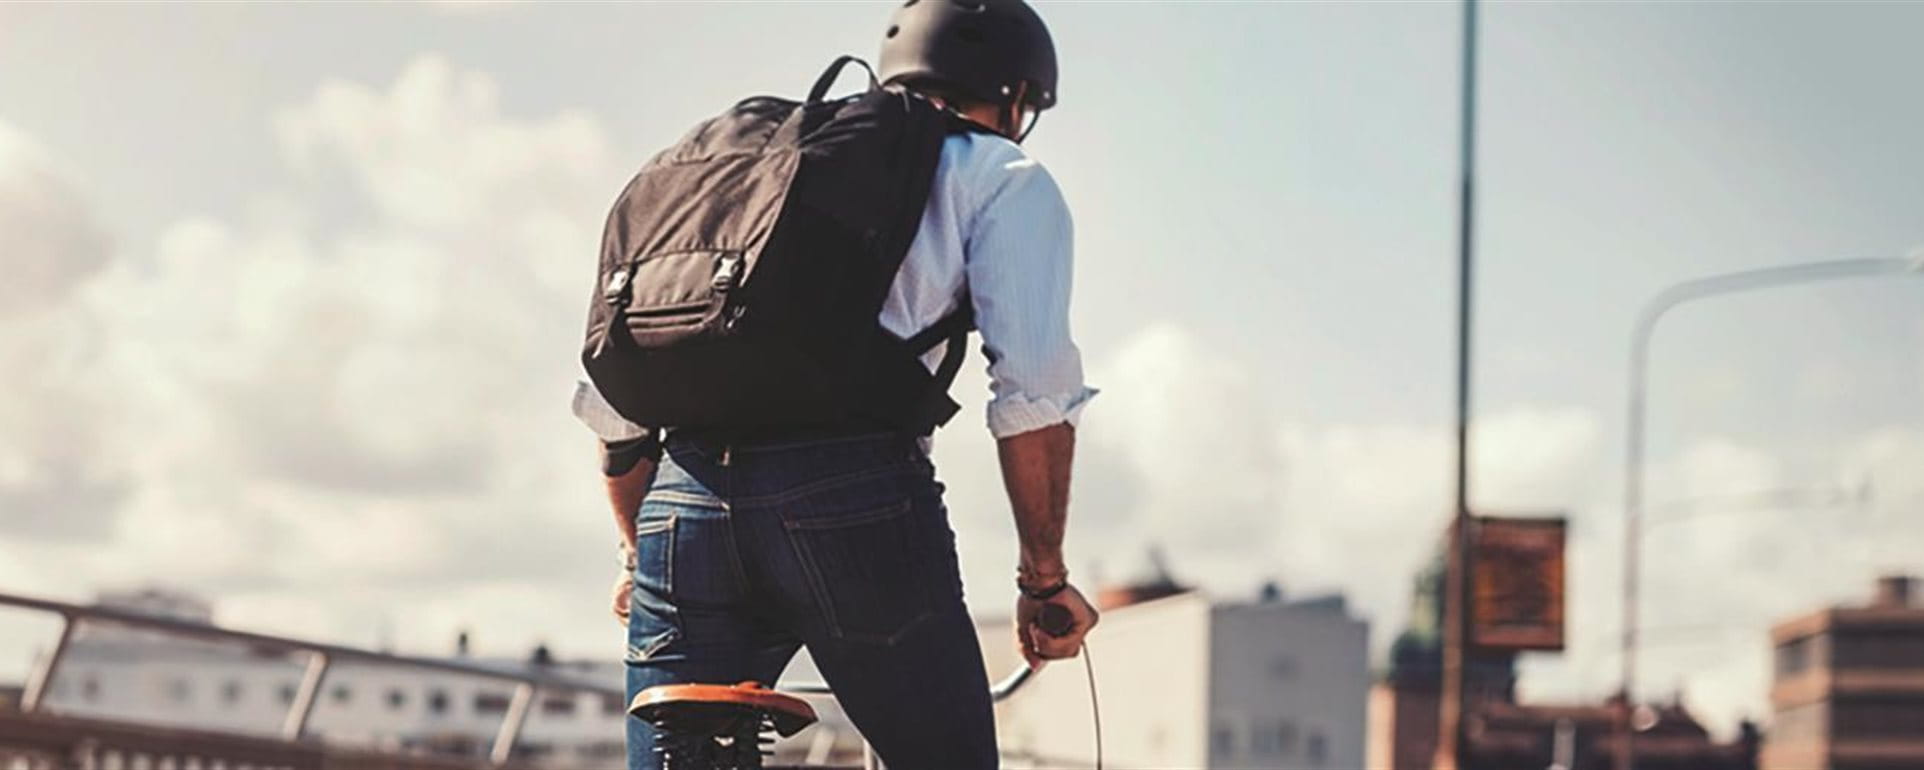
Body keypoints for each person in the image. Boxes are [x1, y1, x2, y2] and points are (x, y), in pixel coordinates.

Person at [571, 1, 1098, 765]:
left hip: (682, 505)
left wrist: (637, 556)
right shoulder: (999, 174)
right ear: (1015, 99)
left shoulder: (735, 168)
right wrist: (1043, 582)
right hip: (854, 499)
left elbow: (616, 410)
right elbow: (1035, 396)